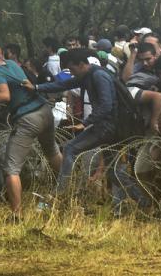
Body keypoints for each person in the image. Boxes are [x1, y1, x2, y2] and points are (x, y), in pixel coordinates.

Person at [0, 41, 62, 217]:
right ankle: (67, 190)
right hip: (45, 111)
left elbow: (4, 94)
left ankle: (16, 215)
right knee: (52, 151)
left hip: (28, 118)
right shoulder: (10, 64)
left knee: (10, 168)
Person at [24, 49, 117, 194]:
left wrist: (85, 123)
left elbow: (106, 106)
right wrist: (36, 87)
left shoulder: (99, 76)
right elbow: (62, 85)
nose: (72, 73)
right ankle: (143, 202)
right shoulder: (87, 75)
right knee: (116, 171)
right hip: (104, 125)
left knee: (70, 148)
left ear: (81, 64)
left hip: (108, 126)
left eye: (72, 69)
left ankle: (60, 193)